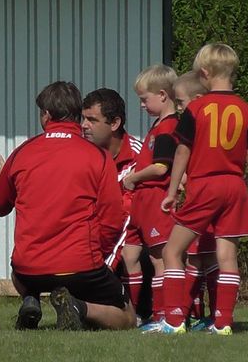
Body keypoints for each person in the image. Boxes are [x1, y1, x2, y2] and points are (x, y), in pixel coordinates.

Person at [0, 81, 134, 331]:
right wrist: (96, 253)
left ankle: (31, 298)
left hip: (28, 269)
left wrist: (2, 179)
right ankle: (78, 306)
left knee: (18, 270)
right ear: (77, 114)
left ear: (45, 114)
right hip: (81, 265)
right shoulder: (98, 156)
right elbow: (112, 217)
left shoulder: (23, 152)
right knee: (128, 317)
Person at [157, 43, 248, 335]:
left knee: (172, 251)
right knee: (227, 257)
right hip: (235, 186)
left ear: (204, 73)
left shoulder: (196, 108)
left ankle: (174, 320)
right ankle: (224, 323)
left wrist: (172, 190)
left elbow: (182, 151)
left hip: (205, 184)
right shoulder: (246, 109)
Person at [81, 88, 150, 324]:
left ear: (115, 123)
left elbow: (130, 217)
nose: (84, 125)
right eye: (83, 118)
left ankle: (139, 311)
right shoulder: (81, 156)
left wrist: (104, 264)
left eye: (91, 119)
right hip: (93, 247)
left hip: (129, 249)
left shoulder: (142, 159)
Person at [121, 64, 179, 332]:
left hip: (155, 199)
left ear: (164, 95)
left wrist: (133, 177)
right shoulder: (158, 126)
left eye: (145, 99)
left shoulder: (169, 128)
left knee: (159, 259)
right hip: (141, 204)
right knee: (129, 255)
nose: (142, 105)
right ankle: (135, 314)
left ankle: (162, 315)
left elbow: (161, 167)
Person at [174, 70, 218, 330]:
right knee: (198, 256)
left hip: (204, 197)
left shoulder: (200, 124)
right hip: (199, 194)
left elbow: (190, 154)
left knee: (203, 257)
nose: (179, 108)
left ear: (199, 98)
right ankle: (200, 314)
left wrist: (183, 178)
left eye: (181, 102)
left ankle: (189, 315)